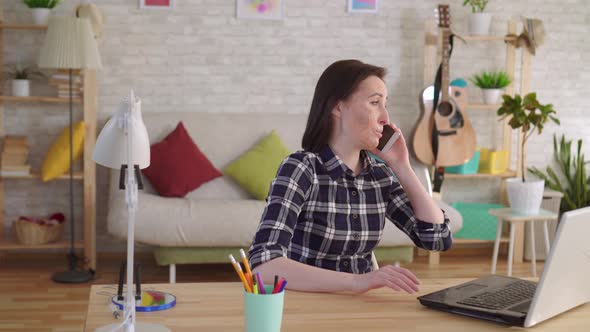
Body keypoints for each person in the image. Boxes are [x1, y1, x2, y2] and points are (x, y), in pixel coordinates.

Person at [248, 59, 452, 294]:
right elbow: (264, 264)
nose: (385, 117)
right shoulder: (302, 168)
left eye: (385, 104)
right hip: (307, 306)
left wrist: (402, 165)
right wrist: (357, 282)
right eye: (375, 102)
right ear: (337, 107)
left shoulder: (379, 175)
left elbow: (437, 239)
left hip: (363, 306)